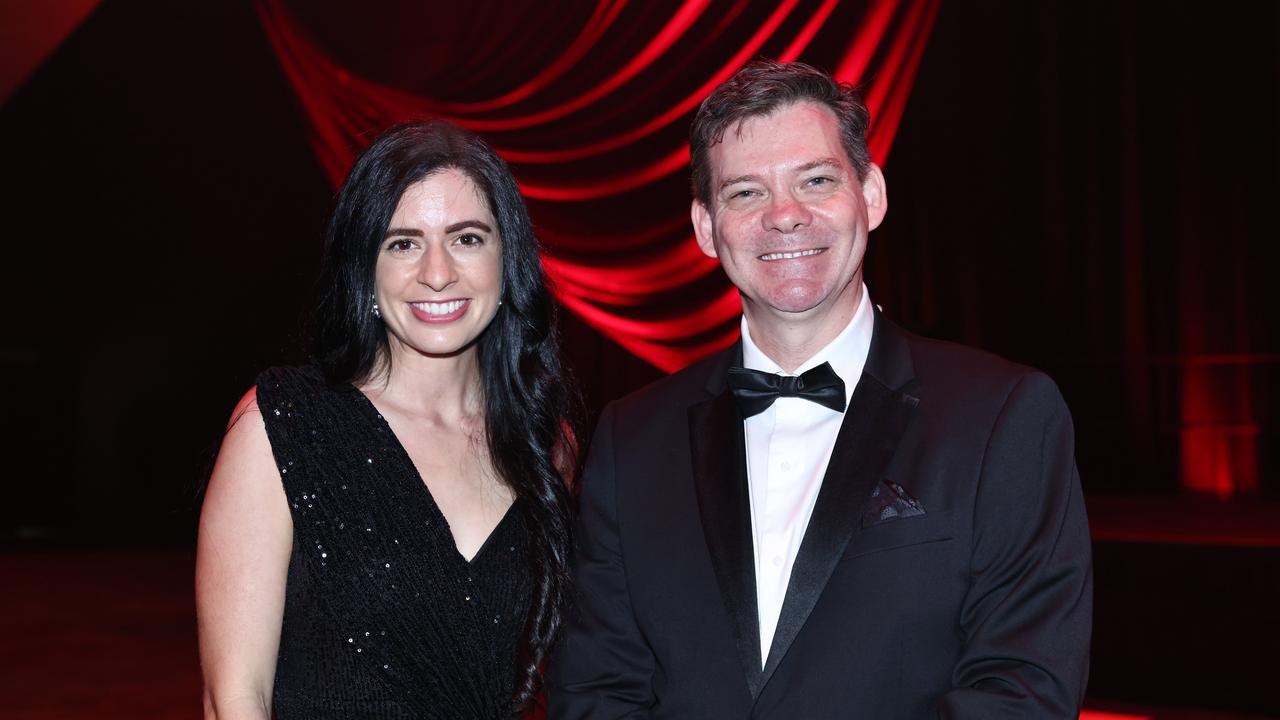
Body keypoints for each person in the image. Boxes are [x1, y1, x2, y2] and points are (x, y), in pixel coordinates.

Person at [547, 61, 1092, 718]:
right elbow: (596, 690)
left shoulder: (1004, 416)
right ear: (703, 227)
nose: (785, 216)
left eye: (817, 180)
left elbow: (1020, 689)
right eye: (746, 193)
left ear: (872, 194)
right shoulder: (630, 437)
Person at [197, 120, 576, 719]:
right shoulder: (283, 427)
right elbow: (235, 698)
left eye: (467, 238)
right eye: (402, 242)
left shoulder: (543, 443)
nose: (437, 271)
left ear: (507, 261)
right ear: (364, 268)